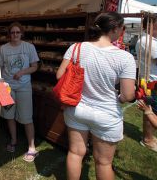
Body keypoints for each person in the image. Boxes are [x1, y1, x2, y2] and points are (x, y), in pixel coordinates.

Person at [56, 12, 136, 180]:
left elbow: (59, 75)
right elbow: (128, 95)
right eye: (122, 29)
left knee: (75, 153)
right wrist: (119, 98)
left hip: (77, 109)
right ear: (115, 29)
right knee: (104, 163)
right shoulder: (125, 57)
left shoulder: (76, 47)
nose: (122, 32)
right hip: (107, 114)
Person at [0, 22, 39, 162]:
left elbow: (34, 66)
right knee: (9, 116)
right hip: (6, 87)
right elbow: (0, 67)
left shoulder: (29, 47)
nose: (15, 35)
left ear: (21, 33)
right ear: (9, 34)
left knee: (27, 117)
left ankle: (32, 147)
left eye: (17, 32)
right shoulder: (3, 49)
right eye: (12, 32)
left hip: (24, 86)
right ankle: (14, 140)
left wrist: (22, 72)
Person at [136, 14, 157, 152]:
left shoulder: (151, 40)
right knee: (151, 109)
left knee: (150, 108)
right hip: (150, 81)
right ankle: (147, 139)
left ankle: (149, 137)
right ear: (151, 25)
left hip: (151, 79)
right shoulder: (147, 41)